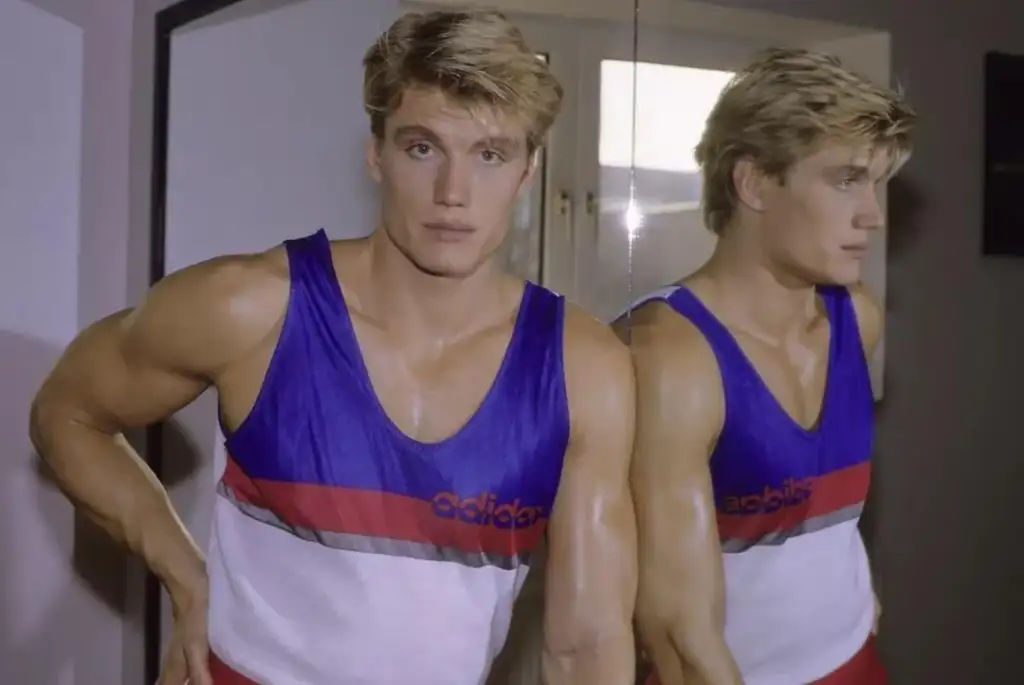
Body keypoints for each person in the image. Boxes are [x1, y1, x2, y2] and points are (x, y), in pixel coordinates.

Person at [29, 10, 637, 685]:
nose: (453, 194)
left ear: (527, 173)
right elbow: (67, 411)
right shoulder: (251, 307)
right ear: (375, 153)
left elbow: (587, 644)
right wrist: (186, 575)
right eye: (422, 147)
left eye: (489, 154)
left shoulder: (583, 368)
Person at [617, 48, 916, 685]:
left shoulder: (856, 318)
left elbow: (815, 514)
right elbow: (680, 640)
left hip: (856, 661)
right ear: (753, 183)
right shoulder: (668, 356)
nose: (874, 214)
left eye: (876, 183)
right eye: (844, 180)